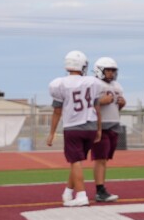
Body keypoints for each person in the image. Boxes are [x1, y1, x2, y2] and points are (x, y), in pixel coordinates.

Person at [46, 51, 111, 207]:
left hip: (73, 127)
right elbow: (97, 107)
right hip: (90, 126)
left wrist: (52, 132)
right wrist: (99, 129)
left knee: (75, 161)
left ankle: (81, 195)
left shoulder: (59, 84)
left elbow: (57, 111)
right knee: (77, 162)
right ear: (83, 65)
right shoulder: (92, 82)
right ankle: (68, 191)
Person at [91, 57, 125, 203]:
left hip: (114, 125)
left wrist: (122, 104)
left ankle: (102, 188)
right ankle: (100, 190)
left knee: (105, 159)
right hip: (101, 125)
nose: (111, 73)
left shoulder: (117, 85)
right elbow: (86, 105)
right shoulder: (94, 84)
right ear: (100, 70)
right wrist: (99, 102)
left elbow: (116, 107)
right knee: (100, 159)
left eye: (113, 70)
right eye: (108, 70)